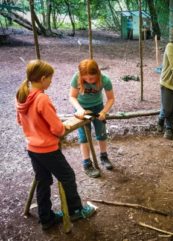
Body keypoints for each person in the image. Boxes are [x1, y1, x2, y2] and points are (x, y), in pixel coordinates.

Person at [16, 60, 95, 230]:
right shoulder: (42, 99)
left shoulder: (22, 95)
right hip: (48, 150)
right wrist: (62, 126)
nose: (51, 82)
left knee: (43, 181)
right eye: (50, 78)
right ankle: (76, 210)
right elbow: (58, 129)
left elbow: (20, 121)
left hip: (32, 148)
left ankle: (46, 218)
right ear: (43, 78)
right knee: (67, 176)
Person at [69, 59, 115, 178]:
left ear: (98, 73)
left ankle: (104, 157)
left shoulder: (105, 79)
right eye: (86, 79)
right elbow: (72, 97)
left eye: (92, 78)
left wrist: (103, 112)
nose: (89, 81)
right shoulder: (77, 77)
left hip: (98, 108)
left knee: (101, 133)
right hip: (82, 110)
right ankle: (87, 163)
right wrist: (79, 109)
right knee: (84, 136)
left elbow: (111, 99)